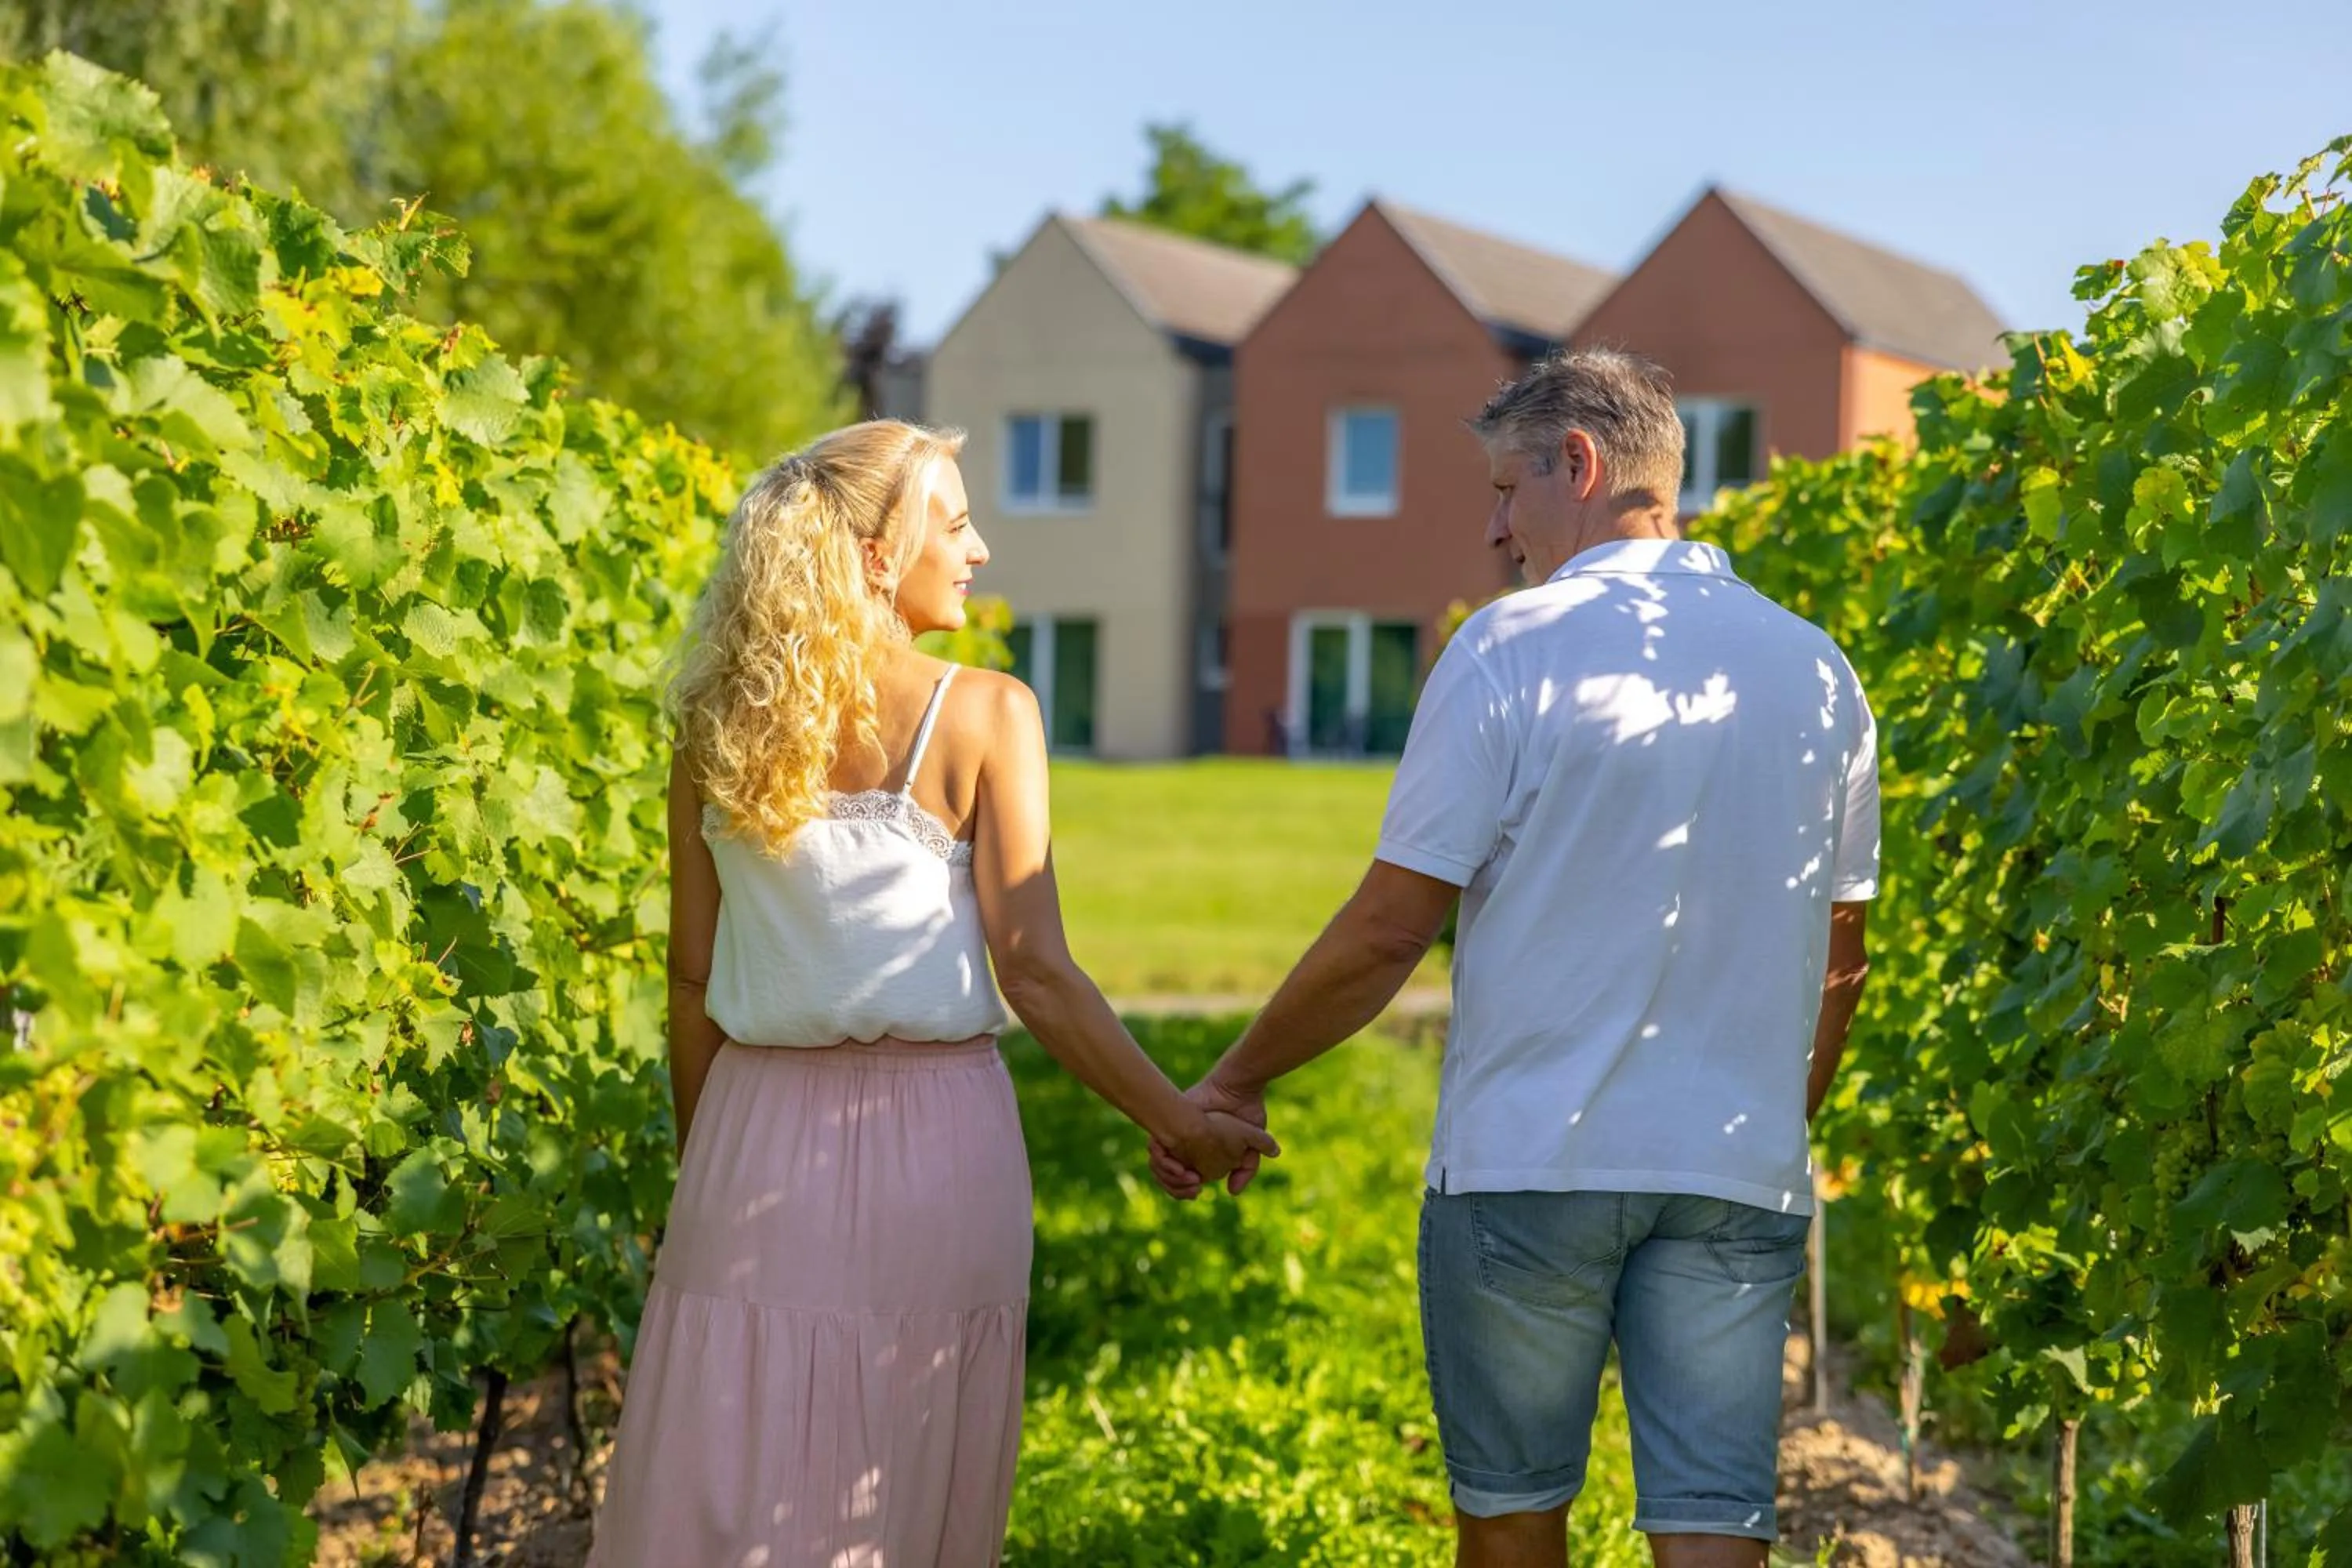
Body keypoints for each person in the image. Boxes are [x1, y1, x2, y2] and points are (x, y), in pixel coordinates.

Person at [1152, 349, 1878, 1568]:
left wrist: (1230, 1080)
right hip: (1735, 1171)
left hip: (1531, 1164)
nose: (1497, 532)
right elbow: (1841, 954)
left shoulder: (1511, 649)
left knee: (1512, 1518)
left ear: (1580, 466)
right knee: (1714, 1528)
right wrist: (1769, 1122)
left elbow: (1393, 926)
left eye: (1505, 492)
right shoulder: (1818, 670)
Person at [590, 419, 1276, 1567]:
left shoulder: (713, 722)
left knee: (733, 1466)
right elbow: (1040, 973)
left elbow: (693, 976)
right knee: (895, 1480)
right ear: (875, 551)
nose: (980, 548)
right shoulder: (987, 713)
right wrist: (1182, 1123)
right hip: (935, 1144)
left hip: (752, 1135)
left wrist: (707, 1163)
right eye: (954, 523)